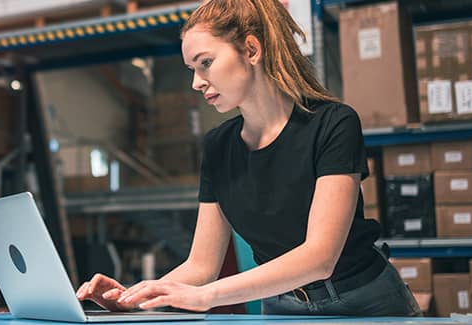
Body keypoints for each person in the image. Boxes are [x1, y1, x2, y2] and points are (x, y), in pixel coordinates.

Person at [75, 0, 421, 316]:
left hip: (366, 303)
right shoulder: (218, 146)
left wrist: (207, 296)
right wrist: (132, 299)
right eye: (191, 69)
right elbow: (201, 265)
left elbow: (320, 258)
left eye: (205, 63)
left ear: (251, 50)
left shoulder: (333, 124)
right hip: (282, 307)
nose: (196, 82)